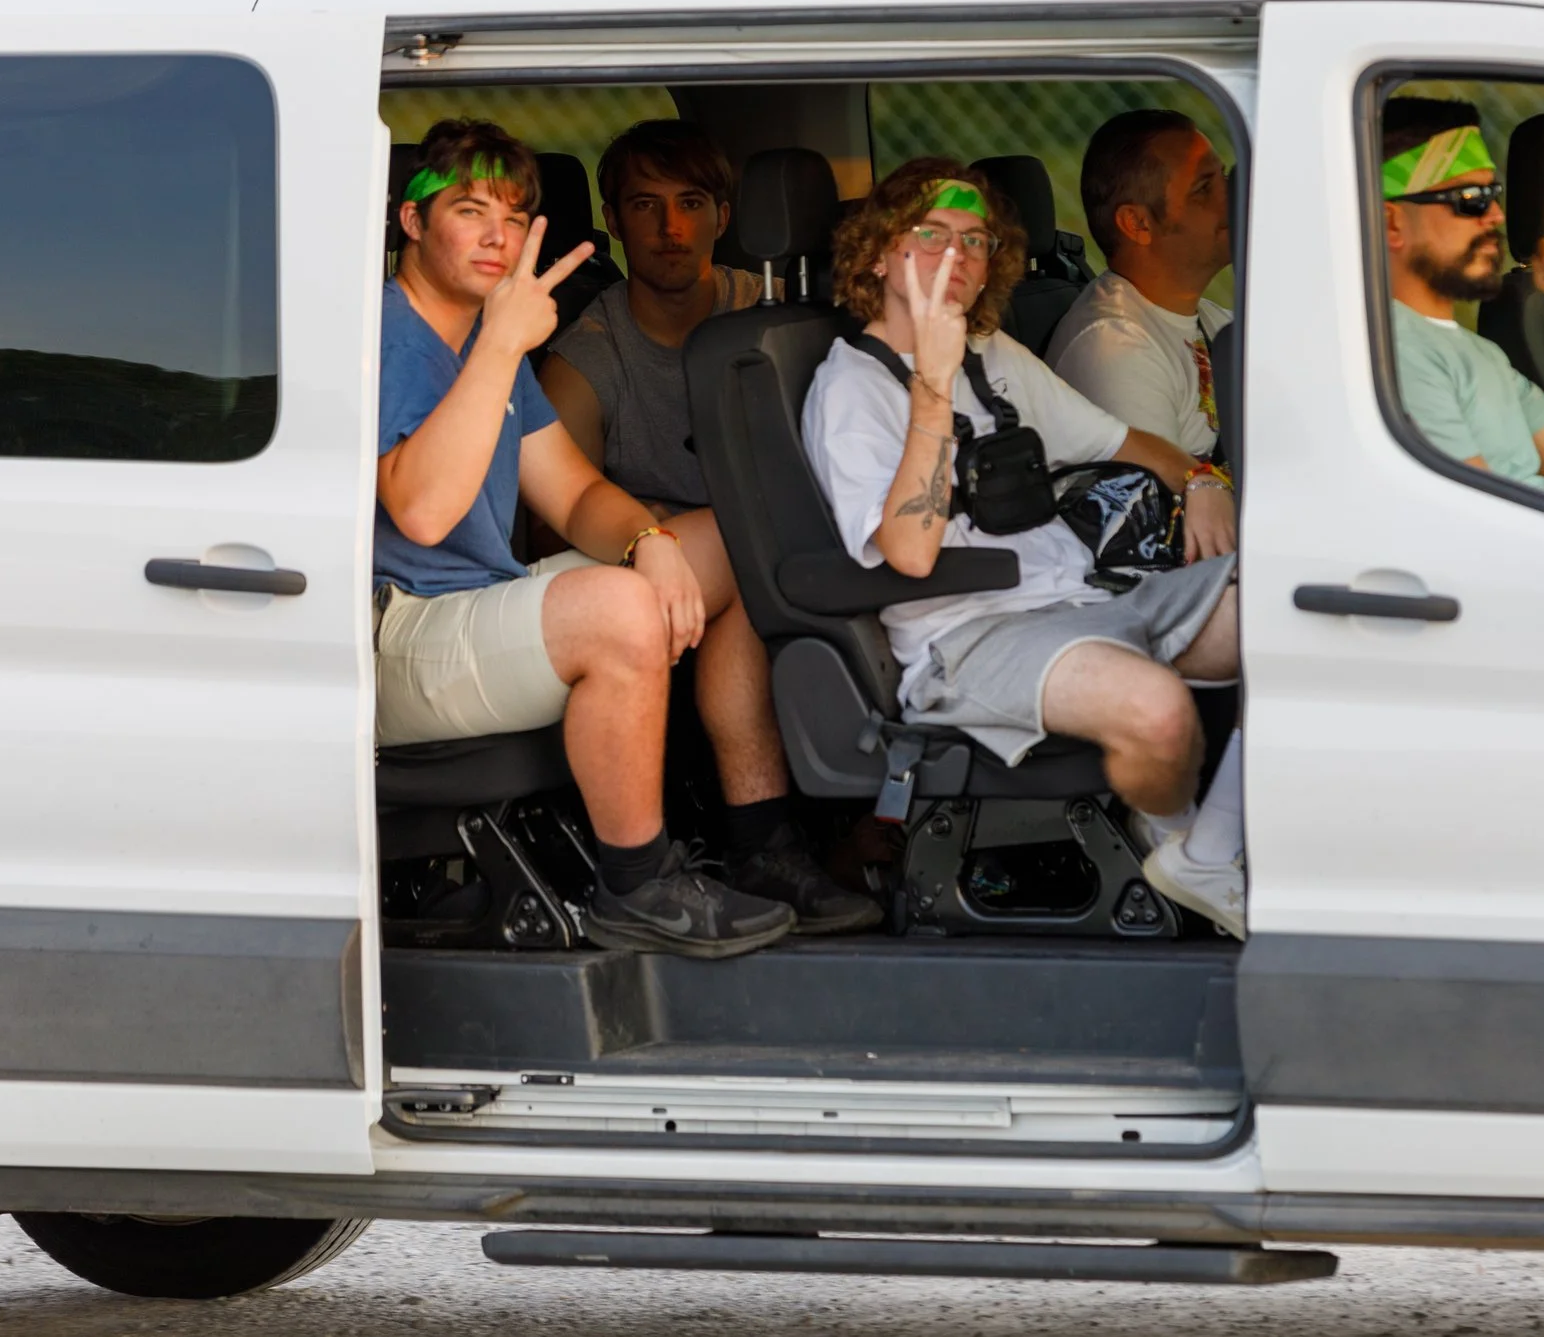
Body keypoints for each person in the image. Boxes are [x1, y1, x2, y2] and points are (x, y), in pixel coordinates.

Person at [374, 118, 794, 959]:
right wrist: (500, 342)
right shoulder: (385, 335)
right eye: (467, 210)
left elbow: (571, 492)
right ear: (412, 223)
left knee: (725, 537)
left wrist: (650, 539)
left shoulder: (483, 346)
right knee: (618, 611)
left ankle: (763, 840)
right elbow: (421, 511)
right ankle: (636, 883)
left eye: (513, 214)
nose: (497, 236)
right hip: (393, 635)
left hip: (473, 606)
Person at [802, 157, 1246, 936]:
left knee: (1301, 608)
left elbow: (1126, 441)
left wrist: (1202, 480)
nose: (959, 255)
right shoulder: (851, 387)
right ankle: (1175, 839)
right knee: (1159, 710)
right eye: (931, 235)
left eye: (976, 240)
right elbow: (909, 551)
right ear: (878, 254)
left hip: (1082, 598)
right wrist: (932, 389)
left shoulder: (995, 353)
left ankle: (1207, 851)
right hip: (972, 638)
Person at [535, 119, 875, 935]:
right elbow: (554, 526)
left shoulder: (777, 317)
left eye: (690, 203)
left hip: (776, 570)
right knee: (742, 557)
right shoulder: (587, 357)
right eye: (645, 206)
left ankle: (781, 839)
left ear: (724, 216)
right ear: (613, 221)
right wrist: (651, 530)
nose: (669, 228)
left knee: (754, 560)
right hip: (643, 580)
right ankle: (761, 840)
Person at [1380, 97, 1544, 503]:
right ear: (1393, 222)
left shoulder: (1481, 353)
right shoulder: (1392, 352)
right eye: (1472, 198)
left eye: (1494, 193)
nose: (1496, 214)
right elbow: (1476, 522)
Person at [1046, 110, 1231, 461]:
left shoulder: (1207, 318)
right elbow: (1169, 508)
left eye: (1223, 177)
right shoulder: (1115, 348)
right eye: (1204, 189)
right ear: (1137, 223)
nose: (1231, 197)